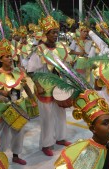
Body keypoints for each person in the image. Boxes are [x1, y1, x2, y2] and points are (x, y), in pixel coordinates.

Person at [27, 15, 72, 156]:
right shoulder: (39, 50)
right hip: (44, 88)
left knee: (61, 114)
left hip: (58, 87)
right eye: (53, 32)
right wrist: (38, 86)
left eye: (57, 32)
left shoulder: (60, 48)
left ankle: (60, 138)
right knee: (47, 118)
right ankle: (46, 144)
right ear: (46, 34)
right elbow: (30, 71)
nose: (56, 35)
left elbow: (66, 67)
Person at [0, 38, 36, 165]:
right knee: (2, 133)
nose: (10, 59)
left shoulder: (18, 72)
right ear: (0, 59)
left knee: (19, 131)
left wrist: (32, 99)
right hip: (3, 107)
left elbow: (26, 86)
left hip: (18, 104)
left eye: (10, 56)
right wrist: (0, 93)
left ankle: (16, 155)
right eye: (6, 57)